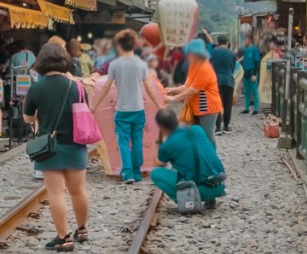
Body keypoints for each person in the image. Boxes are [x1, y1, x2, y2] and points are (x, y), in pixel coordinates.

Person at [23, 44, 90, 252]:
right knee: (78, 191)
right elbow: (85, 110)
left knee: (56, 193)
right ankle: (82, 230)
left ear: (41, 62)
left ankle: (64, 238)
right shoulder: (77, 87)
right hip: (76, 144)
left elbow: (27, 118)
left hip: (49, 147)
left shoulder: (36, 88)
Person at [91, 30, 164, 184]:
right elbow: (149, 87)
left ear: (119, 45)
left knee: (123, 141)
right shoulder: (141, 64)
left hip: (122, 110)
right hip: (138, 109)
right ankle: (137, 173)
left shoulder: (115, 65)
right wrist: (159, 105)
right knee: (137, 140)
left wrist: (94, 106)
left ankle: (128, 173)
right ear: (134, 45)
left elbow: (106, 87)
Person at [151, 108, 225, 209]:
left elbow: (157, 163)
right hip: (218, 185)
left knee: (155, 173)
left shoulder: (167, 145)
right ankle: (211, 198)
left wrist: (158, 142)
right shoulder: (198, 129)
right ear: (177, 119)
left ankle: (187, 201)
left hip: (197, 191)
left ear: (162, 127)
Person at [165, 39, 223, 149]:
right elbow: (187, 85)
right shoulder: (194, 66)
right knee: (198, 135)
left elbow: (193, 90)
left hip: (208, 108)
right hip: (198, 107)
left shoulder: (204, 68)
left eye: (190, 53)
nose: (187, 56)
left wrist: (173, 98)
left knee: (207, 135)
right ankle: (201, 156)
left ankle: (211, 157)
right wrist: (171, 90)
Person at [209, 35, 238, 135]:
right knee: (228, 104)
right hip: (229, 80)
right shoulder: (232, 54)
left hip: (216, 80)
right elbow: (233, 67)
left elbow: (209, 66)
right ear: (227, 42)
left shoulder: (212, 52)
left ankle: (218, 127)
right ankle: (226, 126)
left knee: (217, 104)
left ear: (218, 42)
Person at [240, 35, 261, 114]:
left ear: (249, 40)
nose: (244, 41)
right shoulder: (245, 49)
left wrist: (254, 74)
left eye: (245, 39)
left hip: (252, 72)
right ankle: (247, 108)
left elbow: (256, 62)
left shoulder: (255, 49)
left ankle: (256, 109)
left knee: (254, 91)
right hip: (246, 72)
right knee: (247, 91)